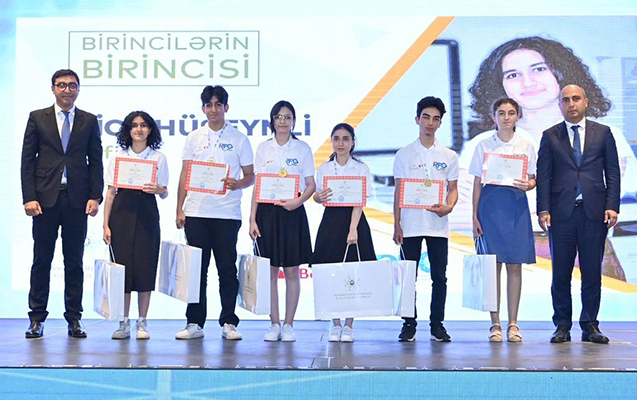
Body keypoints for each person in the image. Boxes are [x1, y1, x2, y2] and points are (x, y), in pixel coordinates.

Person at [457, 36, 636, 232]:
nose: (528, 83)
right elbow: (460, 213)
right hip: (507, 243)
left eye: (539, 69)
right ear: (500, 85)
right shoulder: (482, 144)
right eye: (513, 75)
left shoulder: (602, 134)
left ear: (561, 73)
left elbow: (593, 201)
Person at [21, 69, 103, 338]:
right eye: (62, 85)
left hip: (77, 199)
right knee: (41, 259)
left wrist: (95, 196)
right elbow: (27, 160)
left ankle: (74, 318)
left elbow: (96, 161)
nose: (67, 90)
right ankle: (36, 318)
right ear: (53, 88)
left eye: (72, 85)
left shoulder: (89, 120)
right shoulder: (37, 117)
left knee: (74, 261)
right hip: (44, 199)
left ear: (78, 89)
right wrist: (29, 197)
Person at [536, 85, 620, 344]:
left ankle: (590, 324)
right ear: (560, 105)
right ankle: (562, 325)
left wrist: (612, 205)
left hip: (594, 213)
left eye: (575, 99)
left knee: (592, 272)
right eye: (565, 100)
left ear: (586, 101)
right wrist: (543, 209)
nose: (571, 104)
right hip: (561, 214)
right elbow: (543, 176)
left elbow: (612, 172)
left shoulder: (603, 133)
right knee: (560, 274)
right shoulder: (550, 135)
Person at [175, 85, 254, 340]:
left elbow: (251, 176)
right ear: (203, 108)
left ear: (226, 107)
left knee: (226, 270)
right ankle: (194, 323)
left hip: (226, 213)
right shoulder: (193, 138)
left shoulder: (239, 139)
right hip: (196, 212)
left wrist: (238, 183)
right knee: (196, 271)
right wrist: (179, 208)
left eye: (218, 104)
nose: (213, 109)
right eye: (208, 105)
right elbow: (185, 174)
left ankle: (229, 322)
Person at [469, 98, 537, 342]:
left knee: (515, 265)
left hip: (516, 206)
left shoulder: (526, 144)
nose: (506, 117)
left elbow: (533, 178)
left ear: (518, 116)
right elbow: (477, 182)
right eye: (501, 113)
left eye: (511, 113)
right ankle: (495, 323)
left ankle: (513, 324)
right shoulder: (483, 145)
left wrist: (529, 184)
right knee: (492, 266)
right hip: (490, 208)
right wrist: (474, 216)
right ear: (493, 116)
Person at [392, 96, 459, 342]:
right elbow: (399, 191)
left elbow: (453, 189)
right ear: (417, 119)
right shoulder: (404, 154)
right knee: (409, 276)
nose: (430, 123)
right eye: (426, 117)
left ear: (440, 123)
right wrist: (396, 224)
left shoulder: (449, 155)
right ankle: (409, 323)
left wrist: (448, 207)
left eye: (436, 119)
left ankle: (437, 324)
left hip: (437, 225)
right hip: (410, 225)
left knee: (439, 277)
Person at [249, 100, 315, 342]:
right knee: (270, 271)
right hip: (267, 214)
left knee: (292, 271)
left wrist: (297, 202)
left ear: (294, 121)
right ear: (272, 121)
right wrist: (252, 218)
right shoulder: (263, 148)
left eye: (288, 117)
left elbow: (311, 185)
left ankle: (289, 324)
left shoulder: (302, 149)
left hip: (292, 212)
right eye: (279, 117)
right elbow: (258, 186)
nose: (283, 121)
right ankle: (274, 323)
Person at [103, 111, 168, 340]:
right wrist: (105, 225)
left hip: (147, 214)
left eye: (143, 125)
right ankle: (123, 322)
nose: (139, 129)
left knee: (145, 267)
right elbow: (110, 192)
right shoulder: (118, 157)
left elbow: (164, 191)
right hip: (121, 214)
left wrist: (158, 189)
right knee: (122, 270)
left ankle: (142, 321)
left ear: (150, 130)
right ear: (128, 130)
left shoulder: (158, 157)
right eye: (134, 125)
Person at [312, 123, 377, 343]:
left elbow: (360, 201)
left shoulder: (361, 168)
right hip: (331, 222)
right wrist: (317, 197)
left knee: (353, 274)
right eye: (337, 139)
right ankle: (335, 323)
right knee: (330, 272)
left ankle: (349, 325)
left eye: (346, 139)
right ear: (331, 141)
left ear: (353, 142)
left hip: (354, 221)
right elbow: (317, 196)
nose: (341, 143)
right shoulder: (324, 168)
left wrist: (352, 228)